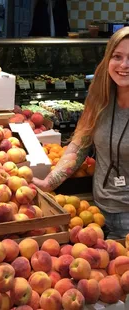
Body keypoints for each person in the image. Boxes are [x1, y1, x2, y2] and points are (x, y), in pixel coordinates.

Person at [33, 26, 129, 239]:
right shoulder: (101, 99)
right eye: (117, 56)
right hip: (97, 210)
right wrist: (48, 183)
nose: (124, 65)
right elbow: (79, 145)